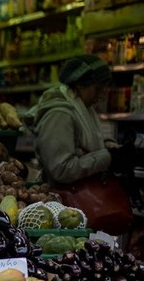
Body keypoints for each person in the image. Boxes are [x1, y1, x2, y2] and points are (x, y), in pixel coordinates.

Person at [30, 53, 114, 186]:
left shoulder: (84, 108)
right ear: (80, 85)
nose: (101, 95)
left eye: (104, 90)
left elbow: (81, 144)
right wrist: (107, 157)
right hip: (64, 200)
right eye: (97, 89)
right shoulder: (59, 114)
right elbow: (61, 169)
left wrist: (109, 147)